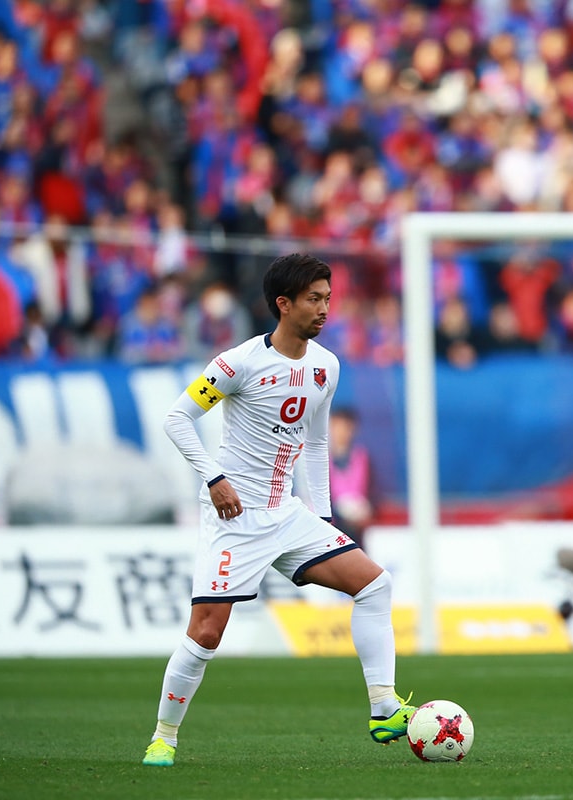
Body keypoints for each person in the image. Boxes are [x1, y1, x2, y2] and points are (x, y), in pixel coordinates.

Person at [142, 253, 414, 767]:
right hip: (234, 516)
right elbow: (177, 419)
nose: (325, 308)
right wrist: (215, 479)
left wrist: (323, 517)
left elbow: (316, 443)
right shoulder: (237, 363)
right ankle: (164, 736)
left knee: (374, 584)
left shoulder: (326, 366)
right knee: (206, 632)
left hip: (286, 514)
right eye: (314, 299)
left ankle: (383, 707)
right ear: (284, 304)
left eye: (328, 298)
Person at [329, 407, 375, 549]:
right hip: (332, 525)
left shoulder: (361, 457)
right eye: (336, 426)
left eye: (346, 427)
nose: (340, 432)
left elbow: (371, 490)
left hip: (358, 525)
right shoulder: (322, 459)